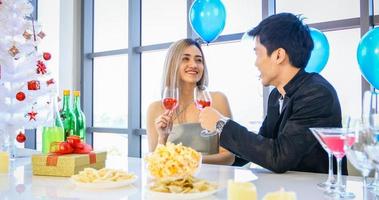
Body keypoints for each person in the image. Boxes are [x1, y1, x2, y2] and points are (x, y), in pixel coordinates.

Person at [198, 13, 347, 174]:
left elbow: (279, 157)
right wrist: (197, 159)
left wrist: (221, 124)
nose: (255, 63)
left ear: (278, 55)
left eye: (257, 53)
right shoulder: (276, 95)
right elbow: (263, 145)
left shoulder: (317, 93)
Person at [146, 38, 235, 165]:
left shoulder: (218, 100)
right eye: (185, 59)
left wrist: (190, 160)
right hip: (172, 182)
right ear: (173, 64)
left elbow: (229, 157)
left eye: (199, 60)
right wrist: (162, 137)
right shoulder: (155, 108)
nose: (194, 65)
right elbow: (155, 162)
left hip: (210, 182)